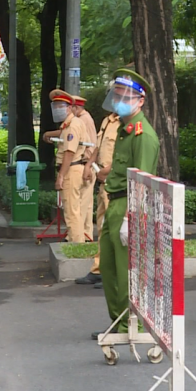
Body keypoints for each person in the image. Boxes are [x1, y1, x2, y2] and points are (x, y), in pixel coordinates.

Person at [94, 70, 159, 339]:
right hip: (114, 202)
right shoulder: (124, 130)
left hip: (128, 206)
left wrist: (129, 218)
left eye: (126, 97)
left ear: (140, 101)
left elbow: (143, 182)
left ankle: (131, 325)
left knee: (126, 272)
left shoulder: (143, 136)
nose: (119, 101)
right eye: (117, 95)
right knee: (109, 269)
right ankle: (118, 321)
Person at [76, 107, 120, 288]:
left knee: (114, 229)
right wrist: (89, 165)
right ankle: (99, 269)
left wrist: (106, 171)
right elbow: (98, 147)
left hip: (115, 181)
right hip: (103, 181)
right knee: (102, 228)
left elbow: (123, 155)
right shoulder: (107, 121)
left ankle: (114, 273)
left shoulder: (126, 123)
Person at [42, 89, 90, 243]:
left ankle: (76, 246)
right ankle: (77, 243)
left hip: (71, 170)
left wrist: (61, 176)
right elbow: (63, 136)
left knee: (71, 213)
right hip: (75, 168)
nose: (57, 109)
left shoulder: (72, 126)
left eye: (60, 106)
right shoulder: (70, 124)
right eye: (55, 106)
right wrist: (49, 134)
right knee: (74, 211)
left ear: (69, 108)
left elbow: (69, 152)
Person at [72, 95, 98, 242]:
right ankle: (86, 234)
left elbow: (89, 144)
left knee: (81, 202)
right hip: (88, 163)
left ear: (76, 107)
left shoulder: (82, 120)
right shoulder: (86, 118)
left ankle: (77, 236)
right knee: (87, 203)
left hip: (85, 163)